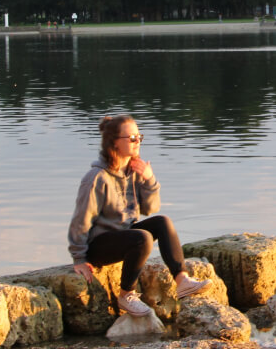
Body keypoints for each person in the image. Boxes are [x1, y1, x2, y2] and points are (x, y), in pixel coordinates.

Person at [68, 115, 209, 316]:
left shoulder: (133, 171)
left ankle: (182, 280)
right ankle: (126, 295)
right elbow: (81, 220)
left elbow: (150, 209)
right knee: (142, 238)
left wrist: (149, 180)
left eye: (139, 137)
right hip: (98, 245)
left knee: (163, 222)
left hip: (124, 234)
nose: (137, 142)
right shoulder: (96, 178)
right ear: (115, 142)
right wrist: (79, 258)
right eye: (132, 138)